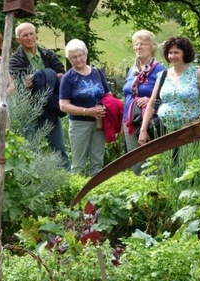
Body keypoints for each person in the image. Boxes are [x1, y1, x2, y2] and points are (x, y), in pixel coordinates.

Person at [9, 22, 69, 169]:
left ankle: (66, 179)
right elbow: (21, 83)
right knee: (29, 149)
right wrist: (49, 76)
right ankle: (31, 181)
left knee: (59, 148)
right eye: (25, 35)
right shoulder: (15, 60)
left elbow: (62, 74)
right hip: (29, 110)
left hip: (51, 107)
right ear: (18, 39)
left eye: (31, 34)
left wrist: (40, 78)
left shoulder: (47, 54)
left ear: (35, 35)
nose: (29, 37)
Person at [137, 36, 200, 161]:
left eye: (176, 52)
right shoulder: (162, 75)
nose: (172, 56)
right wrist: (143, 130)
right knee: (166, 168)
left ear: (185, 53)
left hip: (189, 132)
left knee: (186, 166)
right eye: (170, 52)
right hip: (164, 132)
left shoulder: (198, 74)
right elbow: (151, 104)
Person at [59, 39, 111, 177]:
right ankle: (77, 195)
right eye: (73, 57)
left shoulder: (97, 72)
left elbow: (108, 96)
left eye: (80, 55)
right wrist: (88, 112)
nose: (78, 59)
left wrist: (104, 109)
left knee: (98, 163)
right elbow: (63, 105)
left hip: (99, 123)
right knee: (78, 164)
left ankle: (97, 195)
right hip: (79, 124)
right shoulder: (68, 78)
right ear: (69, 59)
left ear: (86, 55)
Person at [122, 30, 166, 174]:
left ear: (152, 47)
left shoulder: (160, 70)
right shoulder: (132, 71)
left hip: (150, 122)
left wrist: (151, 100)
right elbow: (126, 95)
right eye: (136, 44)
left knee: (152, 163)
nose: (138, 47)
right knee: (134, 162)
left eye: (143, 44)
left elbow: (168, 96)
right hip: (130, 121)